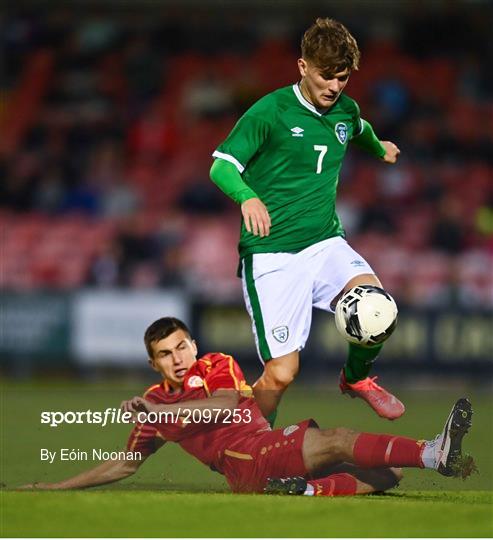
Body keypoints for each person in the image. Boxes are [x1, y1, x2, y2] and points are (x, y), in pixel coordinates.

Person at [23, 317, 475, 496]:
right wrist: (56, 487)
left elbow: (221, 406)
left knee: (385, 474)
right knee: (339, 440)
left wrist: (157, 415)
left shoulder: (214, 366)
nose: (178, 358)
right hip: (244, 455)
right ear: (153, 362)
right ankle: (433, 453)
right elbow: (123, 465)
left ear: (193, 345)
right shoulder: (156, 401)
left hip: (260, 448)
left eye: (182, 347)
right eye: (166, 353)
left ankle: (309, 492)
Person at [209, 17, 404, 424]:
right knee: (282, 374)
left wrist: (378, 147)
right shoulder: (270, 110)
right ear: (302, 67)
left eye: (343, 78)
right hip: (271, 254)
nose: (334, 87)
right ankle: (247, 448)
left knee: (377, 308)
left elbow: (357, 128)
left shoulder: (345, 110)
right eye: (326, 76)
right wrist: (246, 196)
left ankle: (355, 378)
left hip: (323, 242)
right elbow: (222, 166)